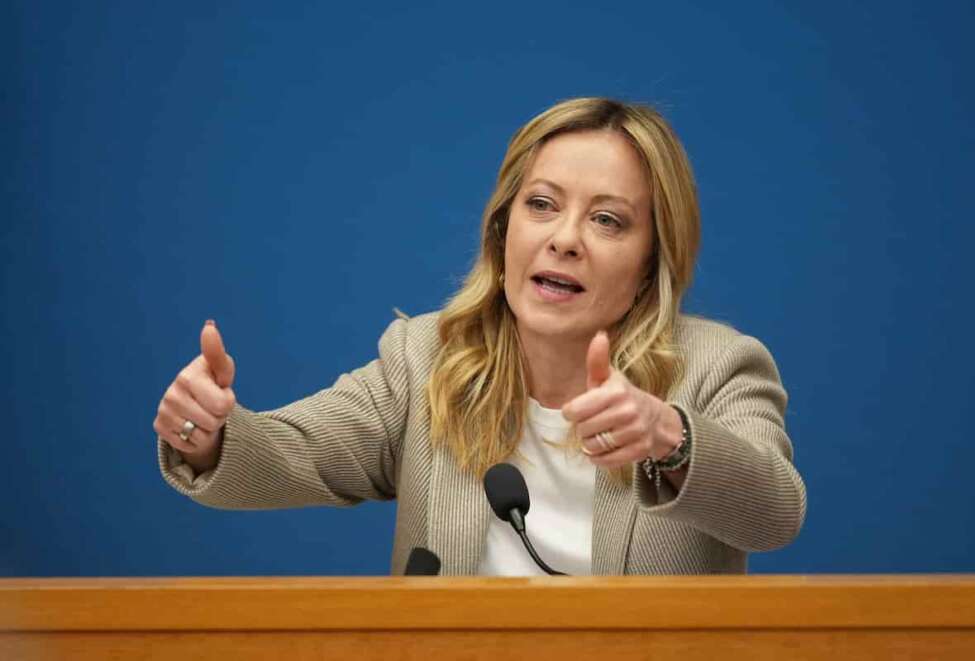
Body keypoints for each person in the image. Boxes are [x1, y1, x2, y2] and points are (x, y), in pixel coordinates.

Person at [154, 97, 806, 575]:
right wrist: (210, 435)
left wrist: (671, 438)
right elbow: (292, 455)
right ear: (503, 230)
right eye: (542, 204)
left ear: (649, 264)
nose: (564, 238)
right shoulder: (425, 358)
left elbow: (775, 513)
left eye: (607, 220)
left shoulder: (717, 366)